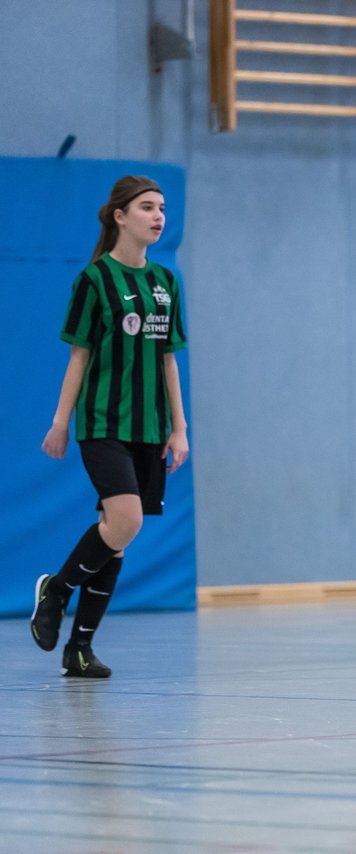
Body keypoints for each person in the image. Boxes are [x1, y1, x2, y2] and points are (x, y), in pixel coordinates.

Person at [31, 175, 189, 679]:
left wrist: (179, 428)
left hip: (150, 427)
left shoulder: (166, 281)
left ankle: (80, 649)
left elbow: (168, 361)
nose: (158, 216)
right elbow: (78, 357)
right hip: (103, 422)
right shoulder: (95, 280)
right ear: (120, 216)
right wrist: (60, 422)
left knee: (117, 539)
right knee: (126, 520)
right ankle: (56, 590)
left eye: (162, 207)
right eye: (147, 207)